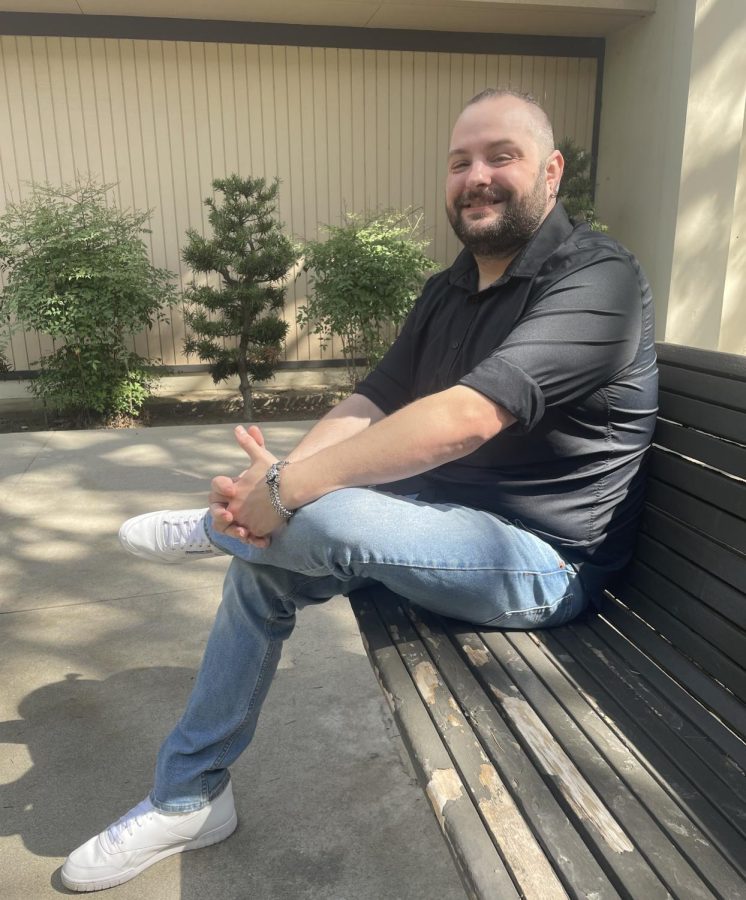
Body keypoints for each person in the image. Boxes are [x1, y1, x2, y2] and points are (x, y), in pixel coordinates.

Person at [61, 88, 657, 892]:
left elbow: (464, 418)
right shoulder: (450, 288)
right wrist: (272, 484)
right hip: (439, 524)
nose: (476, 176)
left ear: (550, 171)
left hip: (546, 563)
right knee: (270, 553)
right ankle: (189, 795)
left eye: (500, 157)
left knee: (318, 513)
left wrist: (286, 491)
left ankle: (219, 537)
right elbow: (372, 399)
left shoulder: (598, 279)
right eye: (459, 162)